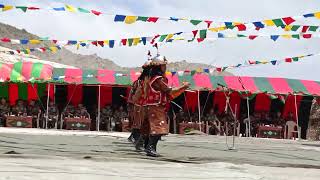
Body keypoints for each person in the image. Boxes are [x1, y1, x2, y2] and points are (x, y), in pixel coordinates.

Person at [143, 54, 190, 157]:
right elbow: (169, 91)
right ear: (159, 67)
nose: (165, 67)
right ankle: (150, 148)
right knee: (158, 128)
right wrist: (183, 87)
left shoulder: (151, 79)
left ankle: (149, 147)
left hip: (153, 106)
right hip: (155, 107)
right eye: (163, 65)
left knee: (154, 128)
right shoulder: (158, 79)